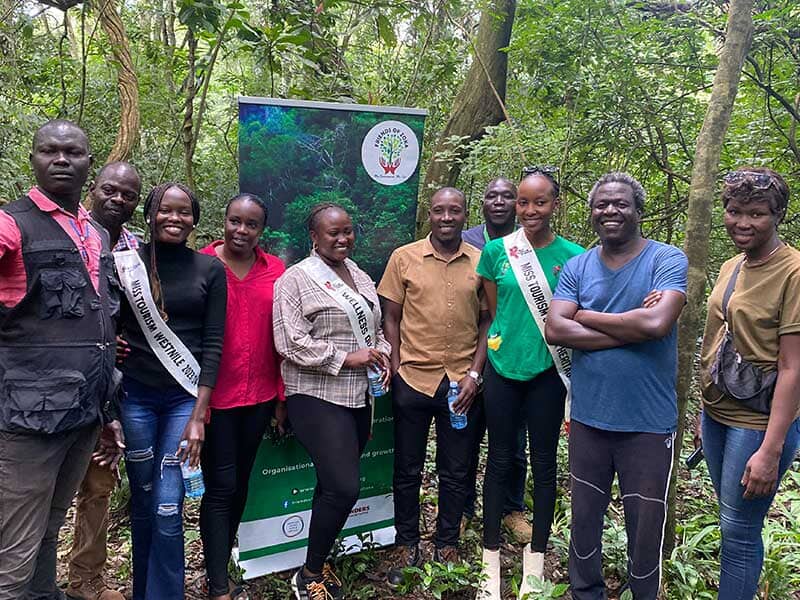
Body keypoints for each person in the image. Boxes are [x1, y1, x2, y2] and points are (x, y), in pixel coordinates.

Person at [545, 172, 688, 600]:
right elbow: (555, 328)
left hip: (648, 422)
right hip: (590, 416)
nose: (610, 210)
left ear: (638, 212)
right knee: (584, 515)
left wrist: (585, 316)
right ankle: (584, 592)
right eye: (601, 204)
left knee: (645, 527)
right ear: (591, 213)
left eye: (620, 204)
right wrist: (634, 326)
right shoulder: (577, 266)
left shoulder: (666, 260)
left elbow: (658, 322)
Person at [0, 120, 120, 600]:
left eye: (73, 153)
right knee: (14, 549)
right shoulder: (12, 223)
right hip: (27, 415)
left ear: (89, 163)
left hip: (83, 411)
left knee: (51, 527)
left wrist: (106, 413)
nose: (62, 160)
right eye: (50, 151)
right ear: (33, 159)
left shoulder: (94, 232)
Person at [273, 202, 391, 600]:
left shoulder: (358, 274)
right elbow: (289, 342)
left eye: (348, 231)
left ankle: (318, 561)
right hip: (316, 394)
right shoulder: (295, 279)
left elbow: (373, 330)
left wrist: (383, 354)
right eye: (333, 233)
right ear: (314, 237)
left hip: (359, 396)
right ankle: (307, 576)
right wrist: (345, 358)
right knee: (344, 487)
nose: (343, 239)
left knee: (330, 485)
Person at [117, 182, 227, 600]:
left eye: (184, 212)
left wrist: (200, 415)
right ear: (150, 214)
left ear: (195, 220)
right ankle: (145, 590)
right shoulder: (125, 264)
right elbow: (108, 322)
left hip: (184, 400)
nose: (174, 218)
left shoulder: (209, 269)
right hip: (136, 397)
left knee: (167, 506)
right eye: (165, 210)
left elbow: (213, 343)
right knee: (143, 501)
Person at [477, 169, 583, 599]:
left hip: (548, 375)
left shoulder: (575, 256)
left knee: (543, 465)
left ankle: (534, 564)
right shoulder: (496, 251)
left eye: (539, 202)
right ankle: (489, 564)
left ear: (555, 204)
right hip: (502, 368)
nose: (529, 210)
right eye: (523, 202)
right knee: (499, 459)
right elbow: (493, 309)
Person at [697, 167, 800, 599]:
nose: (742, 222)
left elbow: (794, 367)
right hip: (716, 414)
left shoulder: (793, 272)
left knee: (739, 533)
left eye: (756, 213)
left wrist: (770, 451)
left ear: (777, 214)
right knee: (728, 523)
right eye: (734, 210)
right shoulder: (732, 265)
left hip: (757, 424)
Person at [378, 187, 489, 585]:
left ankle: (446, 542)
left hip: (461, 383)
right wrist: (394, 364)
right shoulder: (403, 258)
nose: (447, 217)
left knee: (456, 469)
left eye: (454, 211)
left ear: (464, 215)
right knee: (407, 468)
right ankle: (406, 542)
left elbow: (487, 322)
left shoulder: (481, 261)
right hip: (412, 378)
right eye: (440, 210)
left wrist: (475, 375)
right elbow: (390, 317)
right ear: (430, 214)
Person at [199, 193, 287, 600]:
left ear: (261, 231)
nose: (241, 230)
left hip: (260, 396)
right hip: (213, 398)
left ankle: (222, 558)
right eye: (235, 221)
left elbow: (285, 337)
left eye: (251, 224)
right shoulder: (202, 264)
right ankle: (218, 583)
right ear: (224, 220)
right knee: (220, 485)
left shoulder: (276, 271)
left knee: (239, 485)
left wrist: (282, 398)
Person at [67, 161, 142, 600]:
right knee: (42, 488)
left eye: (128, 195)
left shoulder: (134, 248)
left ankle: (85, 582)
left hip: (113, 388)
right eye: (110, 190)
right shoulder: (70, 236)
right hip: (62, 382)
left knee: (98, 485)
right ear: (93, 188)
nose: (117, 199)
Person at [461, 177, 531, 544]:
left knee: (513, 441)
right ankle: (464, 508)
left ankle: (511, 509)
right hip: (469, 351)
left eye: (509, 196)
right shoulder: (467, 240)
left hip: (516, 357)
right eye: (493, 195)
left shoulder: (528, 243)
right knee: (466, 439)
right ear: (482, 202)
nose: (500, 202)